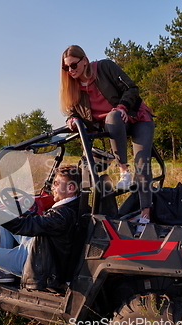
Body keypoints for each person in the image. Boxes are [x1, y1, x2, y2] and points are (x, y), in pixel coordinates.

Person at [60, 44, 154, 231]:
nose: (70, 70)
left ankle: (145, 214)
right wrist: (72, 118)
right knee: (89, 162)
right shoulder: (73, 88)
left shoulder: (104, 67)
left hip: (135, 116)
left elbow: (132, 89)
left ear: (84, 60)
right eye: (66, 67)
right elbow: (72, 110)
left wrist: (122, 107)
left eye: (73, 65)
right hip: (112, 126)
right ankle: (94, 213)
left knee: (142, 163)